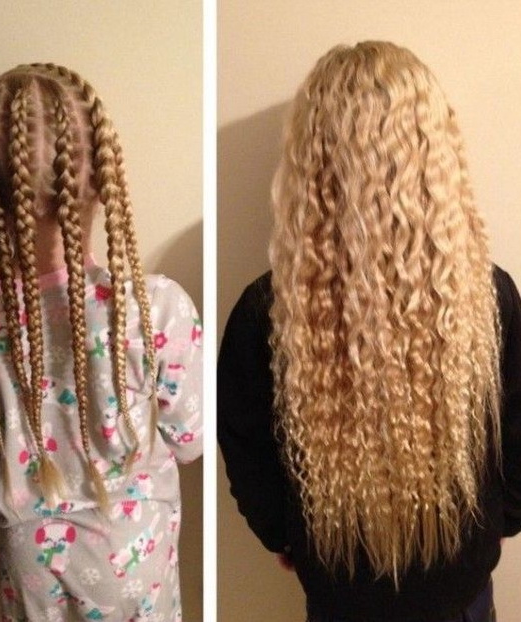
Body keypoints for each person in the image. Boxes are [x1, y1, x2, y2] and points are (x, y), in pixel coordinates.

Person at [218, 41, 521, 622]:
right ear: (432, 154)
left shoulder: (266, 311)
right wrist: (498, 522)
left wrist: (285, 535)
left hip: (341, 591)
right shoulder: (489, 294)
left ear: (312, 161)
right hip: (459, 588)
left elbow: (247, 448)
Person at [0, 63, 202, 621]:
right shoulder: (152, 310)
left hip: (29, 556)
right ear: (102, 178)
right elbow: (190, 439)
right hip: (130, 551)